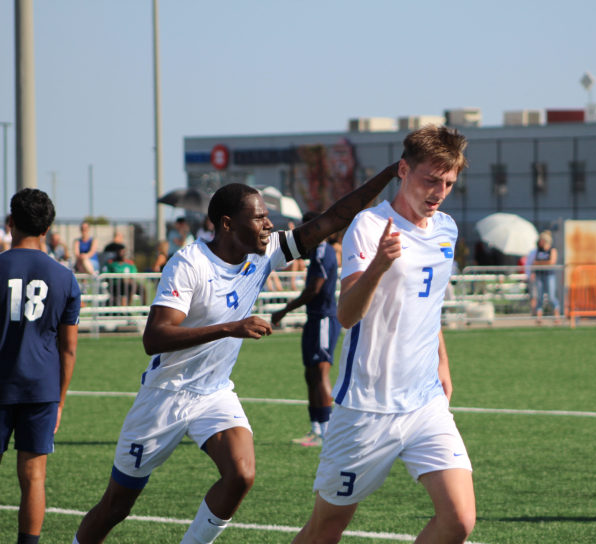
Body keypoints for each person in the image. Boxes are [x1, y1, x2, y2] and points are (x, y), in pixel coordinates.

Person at [72, 163, 398, 544]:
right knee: (116, 506)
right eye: (259, 218)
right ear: (227, 224)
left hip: (214, 394)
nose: (269, 225)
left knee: (241, 474)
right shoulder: (188, 264)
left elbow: (331, 219)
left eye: (268, 218)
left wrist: (390, 173)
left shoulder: (265, 252)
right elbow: (155, 338)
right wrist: (231, 327)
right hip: (165, 395)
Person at [292, 125, 475, 544]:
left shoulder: (446, 229)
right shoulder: (369, 225)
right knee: (327, 527)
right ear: (404, 170)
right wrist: (377, 265)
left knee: (459, 519)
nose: (439, 191)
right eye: (431, 180)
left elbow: (429, 307)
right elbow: (347, 314)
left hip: (425, 403)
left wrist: (443, 362)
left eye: (448, 183)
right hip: (366, 407)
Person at [0, 188, 81, 544]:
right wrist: (60, 401)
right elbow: (69, 349)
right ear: (47, 228)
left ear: (11, 222)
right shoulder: (65, 278)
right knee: (34, 477)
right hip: (41, 389)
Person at [271, 211, 340, 448]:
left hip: (323, 319)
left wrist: (285, 309)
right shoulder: (317, 252)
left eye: (306, 227)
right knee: (310, 374)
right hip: (314, 319)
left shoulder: (323, 251)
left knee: (320, 373)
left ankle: (327, 431)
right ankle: (316, 428)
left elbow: (314, 290)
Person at [528, 230, 560, 324]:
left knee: (551, 297)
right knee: (539, 297)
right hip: (539, 275)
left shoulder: (552, 250)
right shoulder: (538, 251)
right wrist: (538, 266)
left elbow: (551, 262)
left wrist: (539, 263)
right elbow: (534, 263)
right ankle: (539, 318)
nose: (540, 242)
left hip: (549, 275)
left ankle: (557, 316)